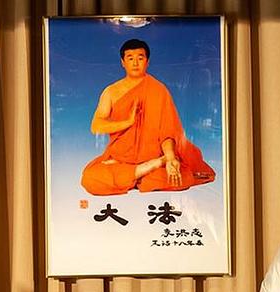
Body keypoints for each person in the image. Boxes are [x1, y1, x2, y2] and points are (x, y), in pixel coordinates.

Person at [80, 38, 215, 196]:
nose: (135, 63)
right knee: (90, 178)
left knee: (182, 177)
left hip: (152, 156)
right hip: (121, 158)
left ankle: (135, 174)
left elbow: (167, 132)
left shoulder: (158, 90)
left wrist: (170, 158)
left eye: (140, 58)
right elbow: (96, 126)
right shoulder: (111, 91)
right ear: (123, 62)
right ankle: (145, 170)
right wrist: (127, 123)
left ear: (147, 61)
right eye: (130, 58)